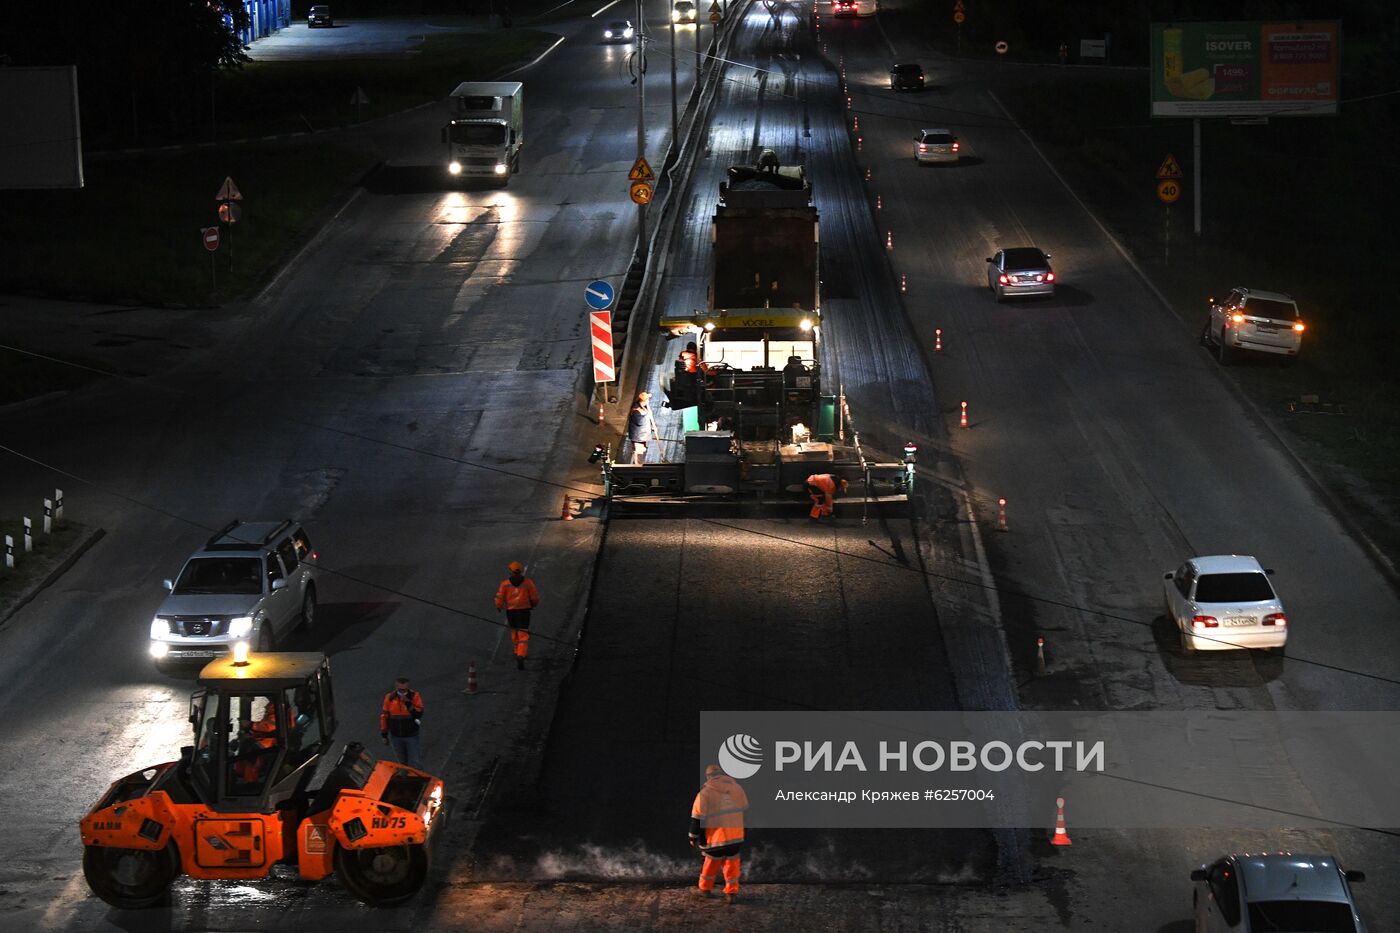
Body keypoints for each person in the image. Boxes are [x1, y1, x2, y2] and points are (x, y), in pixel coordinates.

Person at [689, 763, 749, 903]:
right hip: (735, 837)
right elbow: (745, 810)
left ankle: (705, 889)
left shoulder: (705, 793)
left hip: (715, 839)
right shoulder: (737, 788)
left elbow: (697, 819)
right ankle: (731, 893)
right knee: (732, 865)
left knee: (711, 864)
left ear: (708, 776)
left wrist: (693, 836)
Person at [495, 561, 540, 670]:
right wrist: (533, 605)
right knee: (523, 635)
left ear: (510, 571)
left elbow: (499, 597)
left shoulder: (505, 584)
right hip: (524, 612)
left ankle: (516, 651)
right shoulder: (528, 583)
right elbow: (534, 597)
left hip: (511, 613)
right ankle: (521, 655)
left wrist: (499, 606)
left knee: (514, 631)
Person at [379, 677, 424, 768]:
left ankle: (420, 780)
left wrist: (408, 703)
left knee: (415, 761)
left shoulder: (415, 696)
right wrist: (384, 735)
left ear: (408, 687)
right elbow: (384, 716)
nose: (403, 692)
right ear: (396, 687)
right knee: (402, 763)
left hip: (411, 735)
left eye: (405, 689)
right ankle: (405, 779)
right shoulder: (389, 698)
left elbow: (418, 714)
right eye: (400, 689)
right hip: (396, 736)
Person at [627, 391, 657, 465]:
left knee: (643, 450)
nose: (649, 400)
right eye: (647, 399)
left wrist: (653, 426)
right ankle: (637, 468)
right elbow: (640, 422)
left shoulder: (643, 407)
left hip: (642, 435)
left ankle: (639, 465)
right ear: (645, 400)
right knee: (639, 452)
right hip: (638, 436)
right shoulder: (636, 411)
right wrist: (647, 415)